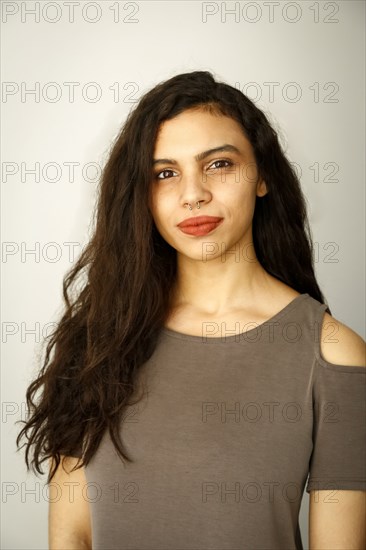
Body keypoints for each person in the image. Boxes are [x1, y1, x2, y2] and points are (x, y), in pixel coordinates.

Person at [16, 70, 365, 549]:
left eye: (218, 164)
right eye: (164, 173)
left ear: (261, 175)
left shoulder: (332, 354)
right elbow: (73, 535)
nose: (192, 193)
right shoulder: (99, 338)